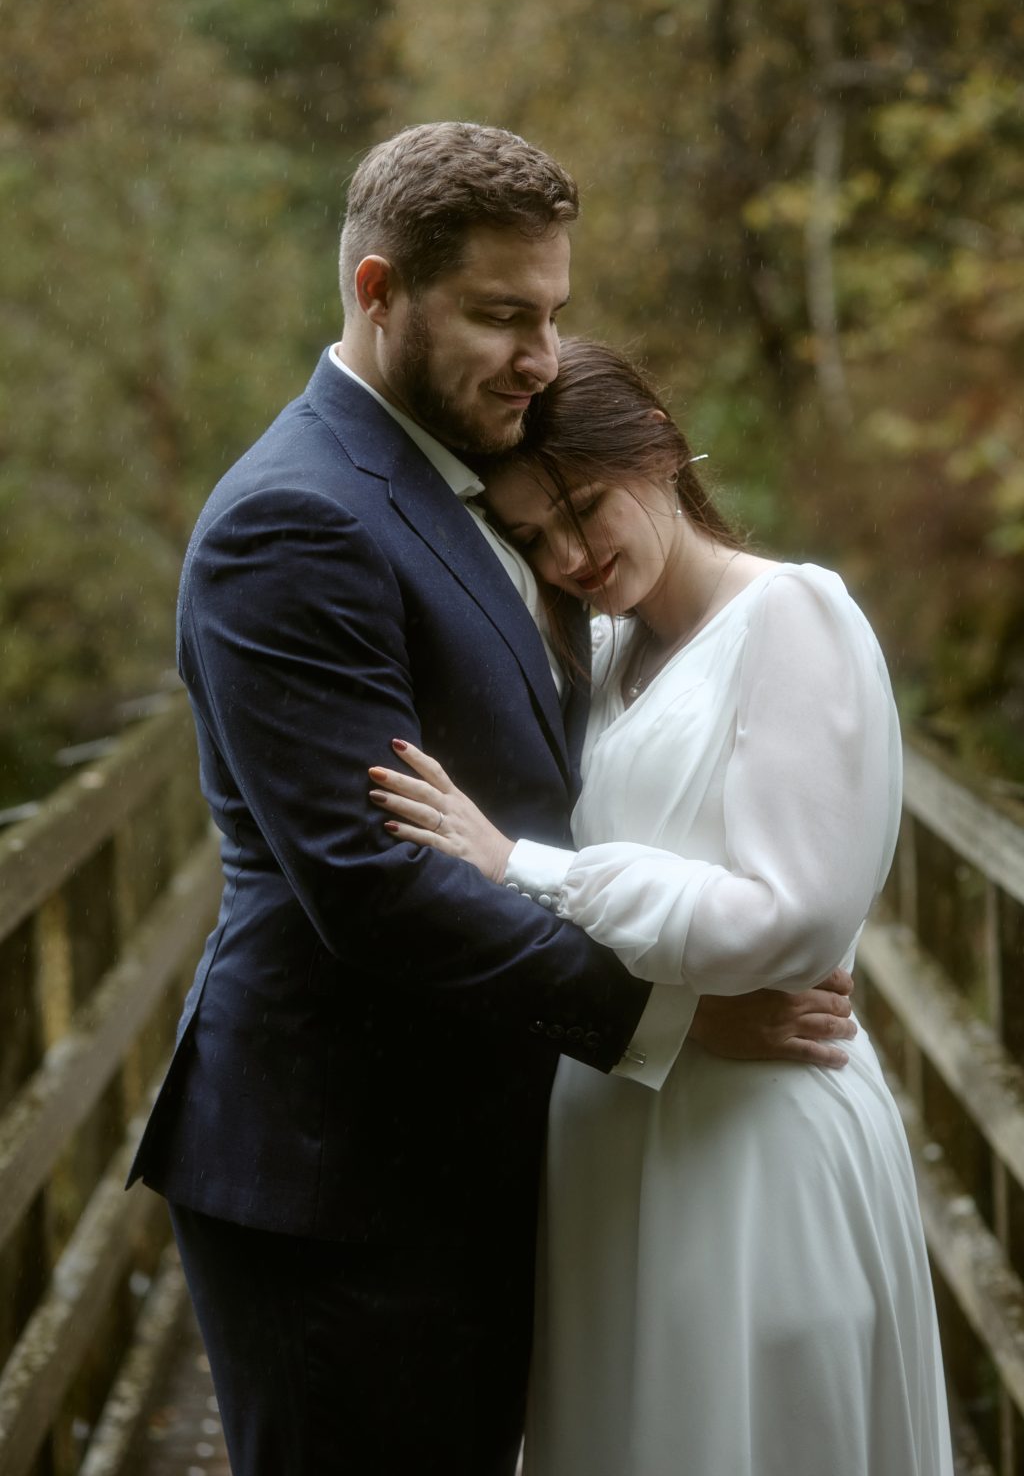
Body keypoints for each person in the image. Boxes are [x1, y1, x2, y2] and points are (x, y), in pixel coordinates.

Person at [127, 125, 858, 1476]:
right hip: (336, 1178)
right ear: (378, 289)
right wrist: (673, 1021)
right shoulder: (293, 520)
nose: (539, 355)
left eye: (555, 314)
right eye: (500, 315)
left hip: (468, 1149)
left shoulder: (468, 480)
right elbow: (374, 883)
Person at [370, 338, 954, 1476]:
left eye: (584, 509)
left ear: (660, 454)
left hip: (755, 1143)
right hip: (616, 1135)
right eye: (535, 537)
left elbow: (790, 921)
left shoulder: (794, 616)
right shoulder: (600, 651)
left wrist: (527, 869)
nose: (571, 555)